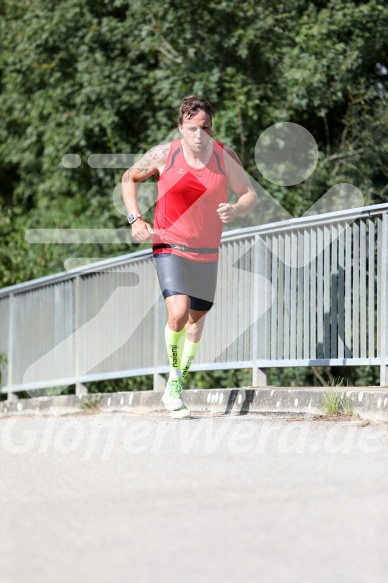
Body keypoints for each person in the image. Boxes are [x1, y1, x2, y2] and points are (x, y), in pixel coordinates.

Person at [122, 95, 257, 418]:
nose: (199, 135)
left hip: (207, 251)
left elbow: (250, 194)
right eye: (193, 128)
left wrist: (236, 208)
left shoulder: (225, 157)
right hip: (169, 245)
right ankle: (174, 384)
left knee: (196, 325)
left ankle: (176, 380)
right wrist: (135, 218)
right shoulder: (163, 156)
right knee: (179, 311)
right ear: (181, 127)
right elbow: (129, 178)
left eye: (205, 128)